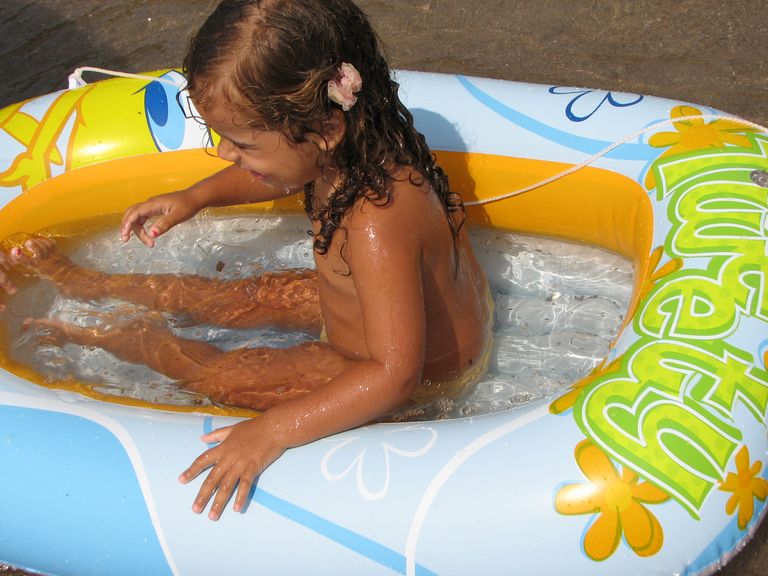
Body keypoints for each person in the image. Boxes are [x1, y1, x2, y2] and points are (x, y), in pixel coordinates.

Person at [0, 0, 491, 521]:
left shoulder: (377, 221)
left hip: (398, 381)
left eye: (241, 143)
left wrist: (272, 431)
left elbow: (394, 376)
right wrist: (196, 197)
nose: (224, 152)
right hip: (366, 320)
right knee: (234, 297)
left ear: (325, 129)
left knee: (221, 375)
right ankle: (88, 284)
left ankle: (115, 335)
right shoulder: (355, 151)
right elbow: (278, 170)